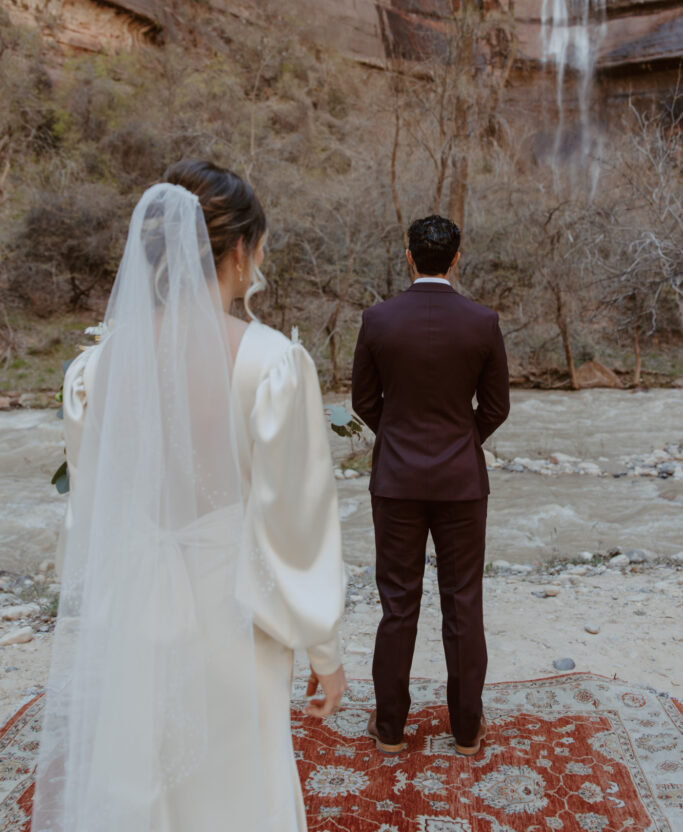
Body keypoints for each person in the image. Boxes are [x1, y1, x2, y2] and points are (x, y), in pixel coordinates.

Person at [32, 161, 347, 832]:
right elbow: (295, 523)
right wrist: (323, 650)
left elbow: (94, 506)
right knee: (234, 789)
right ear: (239, 251)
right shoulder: (271, 365)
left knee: (140, 780)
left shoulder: (93, 372)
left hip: (135, 610)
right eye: (258, 247)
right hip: (233, 614)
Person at [351, 214, 509, 758]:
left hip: (395, 481)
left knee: (397, 604)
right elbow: (496, 407)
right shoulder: (483, 321)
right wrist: (462, 441)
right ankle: (466, 730)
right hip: (462, 482)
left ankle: (390, 729)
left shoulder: (377, 319)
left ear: (409, 254)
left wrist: (395, 436)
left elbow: (363, 402)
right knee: (463, 602)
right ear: (457, 258)